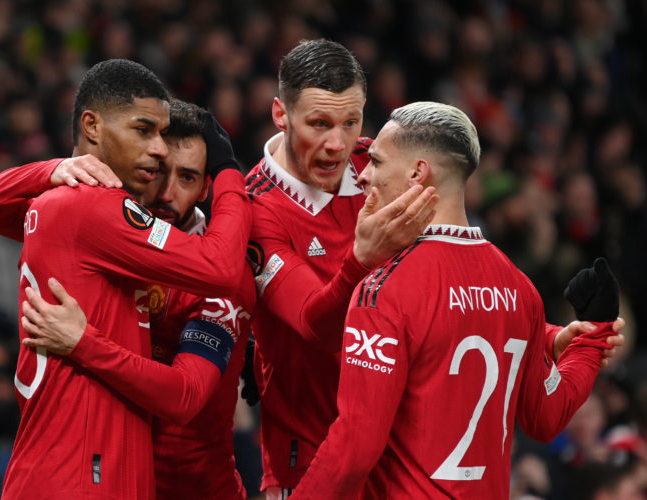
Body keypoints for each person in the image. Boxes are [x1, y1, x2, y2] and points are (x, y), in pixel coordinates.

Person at [243, 38, 625, 499]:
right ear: (281, 115)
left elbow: (447, 285)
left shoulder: (383, 160)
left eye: (352, 121)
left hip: (386, 461)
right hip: (311, 460)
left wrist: (537, 335)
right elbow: (311, 323)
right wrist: (358, 264)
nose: (341, 146)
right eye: (319, 124)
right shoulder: (255, 208)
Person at [0, 59, 251, 499]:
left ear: (206, 188)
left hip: (176, 483)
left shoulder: (84, 217)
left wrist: (49, 172)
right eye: (144, 133)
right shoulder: (101, 212)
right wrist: (56, 167)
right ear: (93, 126)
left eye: (188, 176)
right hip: (88, 471)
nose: (159, 162)